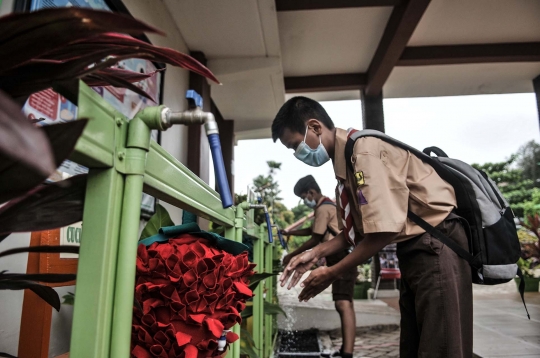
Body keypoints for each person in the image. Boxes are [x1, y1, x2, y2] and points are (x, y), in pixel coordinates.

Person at [273, 96, 472, 358]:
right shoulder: (346, 163)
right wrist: (315, 253)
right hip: (416, 249)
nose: (297, 155)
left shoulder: (364, 153)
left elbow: (384, 230)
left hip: (437, 244)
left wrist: (332, 271)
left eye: (295, 146)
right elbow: (358, 231)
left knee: (441, 344)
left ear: (315, 127)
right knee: (416, 343)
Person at [282, 175, 357, 358]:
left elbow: (315, 238)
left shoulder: (323, 208)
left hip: (342, 257)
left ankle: (347, 353)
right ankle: (345, 351)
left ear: (311, 192)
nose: (303, 200)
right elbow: (312, 230)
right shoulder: (326, 207)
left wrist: (292, 255)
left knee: (343, 303)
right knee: (344, 302)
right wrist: (290, 232)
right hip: (337, 257)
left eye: (303, 197)